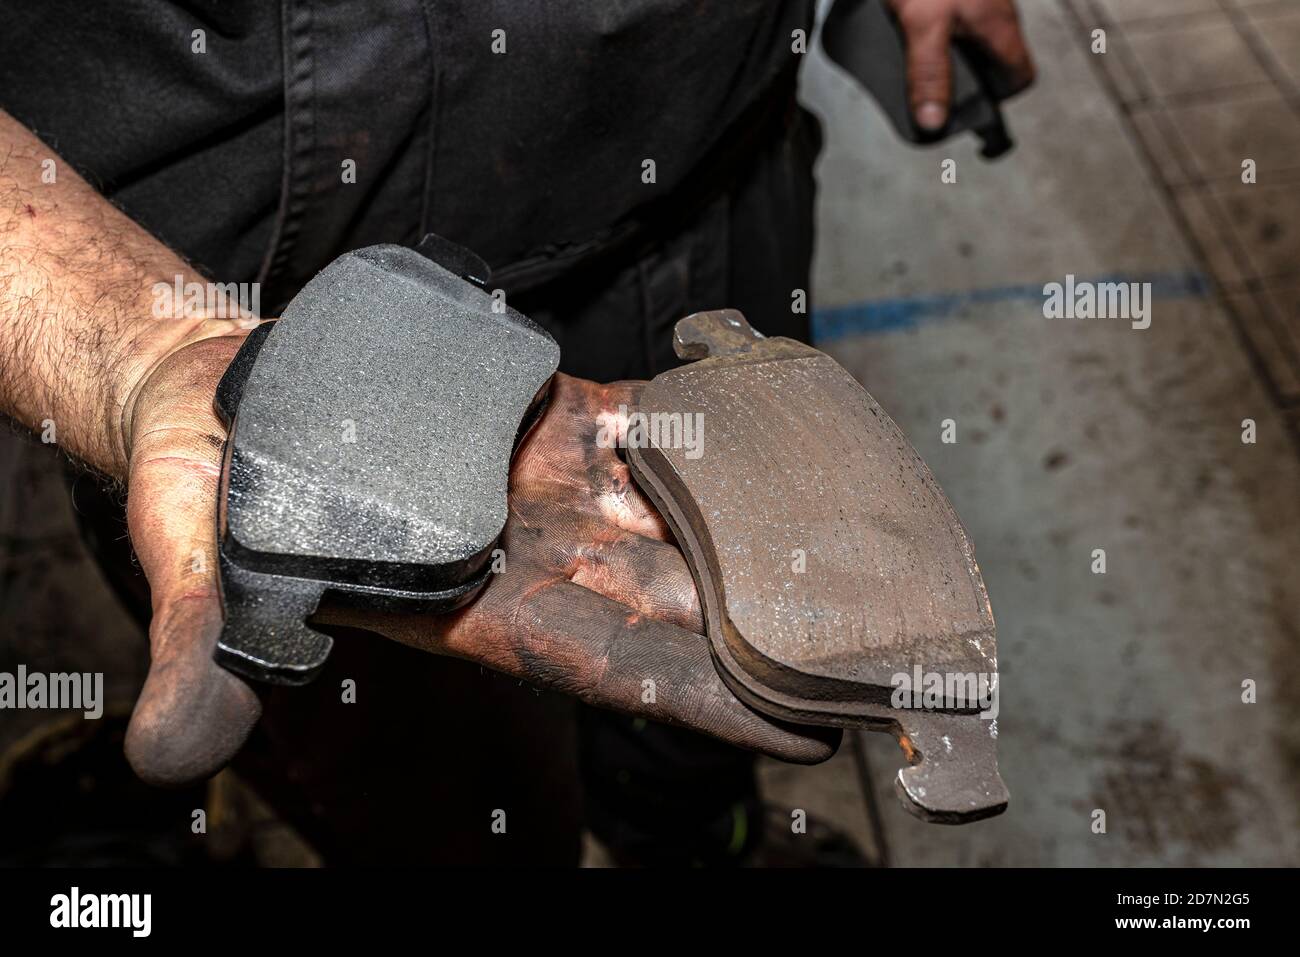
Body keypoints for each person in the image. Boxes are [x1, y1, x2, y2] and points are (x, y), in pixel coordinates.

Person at [0, 0, 1033, 865]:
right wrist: (127, 339)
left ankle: (697, 842)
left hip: (706, 148)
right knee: (444, 812)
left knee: (714, 710)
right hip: (203, 275)